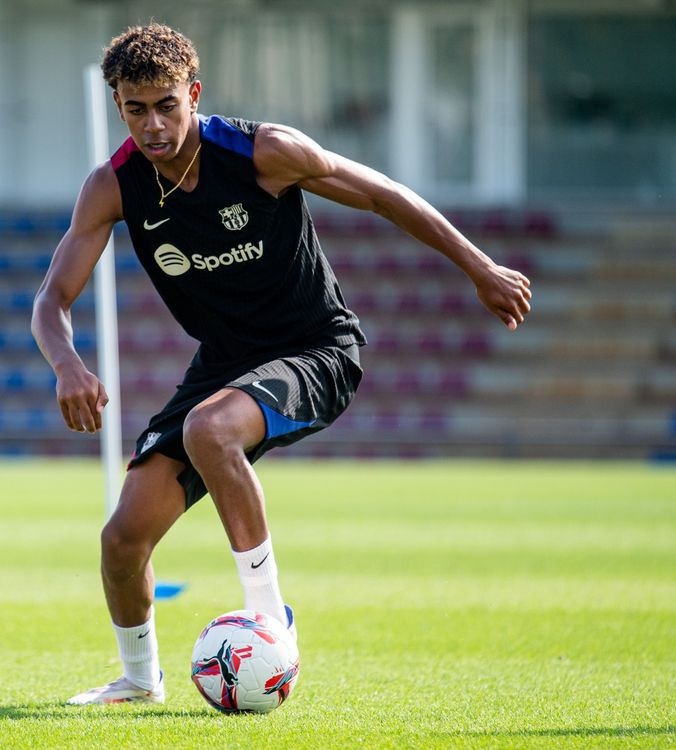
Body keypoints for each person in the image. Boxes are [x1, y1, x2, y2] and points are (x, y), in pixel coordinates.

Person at [31, 23, 531, 705]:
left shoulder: (265, 151)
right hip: (225, 365)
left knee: (211, 431)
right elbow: (52, 299)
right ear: (118, 105)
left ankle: (269, 616)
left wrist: (480, 267)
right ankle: (140, 681)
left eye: (167, 105)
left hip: (316, 346)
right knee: (122, 539)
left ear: (194, 94)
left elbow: (381, 192)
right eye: (135, 108)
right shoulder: (113, 186)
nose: (152, 124)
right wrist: (66, 365)